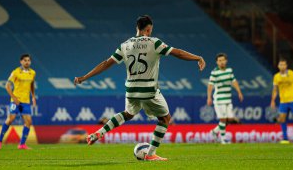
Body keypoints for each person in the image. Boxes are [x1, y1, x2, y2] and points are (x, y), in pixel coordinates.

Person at [74, 15, 205, 161]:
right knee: (165, 119)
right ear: (148, 29)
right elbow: (178, 53)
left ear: (137, 28)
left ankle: (98, 133)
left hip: (131, 90)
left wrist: (84, 77)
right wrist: (197, 58)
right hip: (149, 90)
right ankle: (150, 154)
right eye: (150, 30)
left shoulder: (124, 45)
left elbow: (106, 63)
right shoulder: (154, 43)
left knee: (128, 114)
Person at [0, 54, 36, 149]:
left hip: (26, 101)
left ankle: (22, 144)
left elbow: (32, 84)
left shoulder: (33, 73)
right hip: (15, 101)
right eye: (25, 60)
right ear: (21, 62)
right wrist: (14, 98)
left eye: (29, 60)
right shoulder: (15, 72)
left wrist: (33, 96)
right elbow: (7, 86)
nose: (27, 62)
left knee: (28, 122)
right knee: (10, 120)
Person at [207, 53, 243, 144]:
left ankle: (214, 131)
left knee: (230, 119)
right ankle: (223, 139)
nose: (221, 62)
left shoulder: (229, 71)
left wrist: (239, 92)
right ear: (216, 62)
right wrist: (209, 97)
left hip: (228, 99)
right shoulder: (214, 72)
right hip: (219, 99)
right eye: (219, 61)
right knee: (223, 119)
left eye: (223, 60)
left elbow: (234, 82)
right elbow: (210, 85)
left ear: (226, 61)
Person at [270, 58, 293, 144]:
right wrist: (273, 100)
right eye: (280, 65)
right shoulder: (276, 77)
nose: (282, 66)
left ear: (286, 66)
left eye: (284, 64)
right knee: (282, 119)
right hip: (283, 101)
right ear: (278, 66)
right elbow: (275, 89)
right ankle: (285, 138)